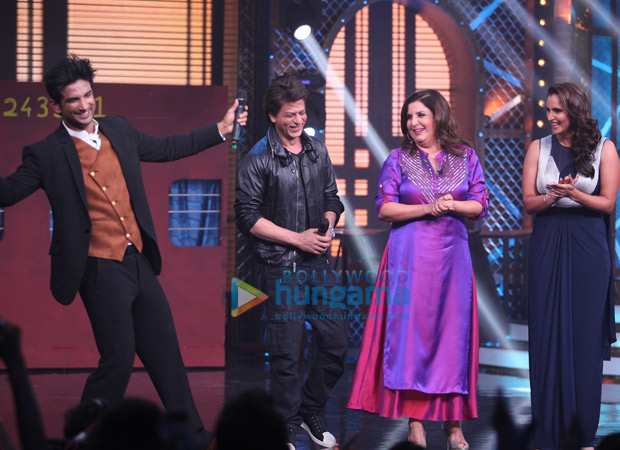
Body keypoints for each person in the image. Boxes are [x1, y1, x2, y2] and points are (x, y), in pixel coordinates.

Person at [0, 54, 247, 449]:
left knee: (165, 350)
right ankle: (81, 436)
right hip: (98, 267)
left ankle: (195, 436)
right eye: (73, 100)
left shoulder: (119, 129)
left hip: (138, 259)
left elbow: (167, 148)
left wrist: (220, 129)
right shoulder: (45, 153)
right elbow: (10, 191)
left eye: (87, 95)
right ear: (56, 106)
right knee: (118, 357)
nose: (83, 105)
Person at [347, 89, 488, 450]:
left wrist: (451, 205)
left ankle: (454, 426)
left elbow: (479, 204)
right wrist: (428, 208)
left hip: (452, 258)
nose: (413, 123)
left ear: (438, 116)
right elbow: (384, 208)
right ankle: (416, 425)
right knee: (412, 339)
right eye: (409, 117)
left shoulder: (466, 156)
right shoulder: (398, 159)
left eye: (421, 115)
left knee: (452, 338)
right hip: (409, 257)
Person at [235, 74, 347, 450]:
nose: (297, 120)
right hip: (281, 266)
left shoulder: (317, 151)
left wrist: (327, 225)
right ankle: (285, 425)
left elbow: (332, 198)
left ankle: (311, 410)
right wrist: (297, 239)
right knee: (286, 353)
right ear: (273, 116)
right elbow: (247, 217)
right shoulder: (258, 159)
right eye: (289, 114)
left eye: (300, 112)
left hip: (318, 263)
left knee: (336, 343)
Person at [522, 82, 619, 450]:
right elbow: (529, 202)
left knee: (583, 337)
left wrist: (574, 193)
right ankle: (547, 430)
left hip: (588, 247)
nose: (550, 117)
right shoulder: (538, 147)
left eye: (557, 111)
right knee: (546, 332)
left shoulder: (604, 148)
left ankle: (581, 433)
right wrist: (552, 196)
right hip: (548, 242)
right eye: (548, 110)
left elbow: (608, 202)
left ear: (575, 111)